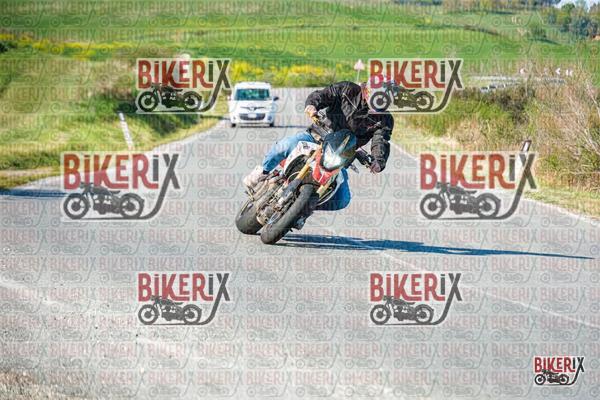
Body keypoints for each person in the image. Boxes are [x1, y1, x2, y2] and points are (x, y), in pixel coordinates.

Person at [243, 81, 394, 211]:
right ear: (367, 91)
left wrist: (377, 162)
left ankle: (304, 207)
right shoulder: (347, 89)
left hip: (341, 155)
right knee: (285, 146)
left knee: (342, 199)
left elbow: (381, 141)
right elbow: (324, 94)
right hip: (318, 136)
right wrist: (312, 106)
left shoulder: (385, 119)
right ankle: (263, 172)